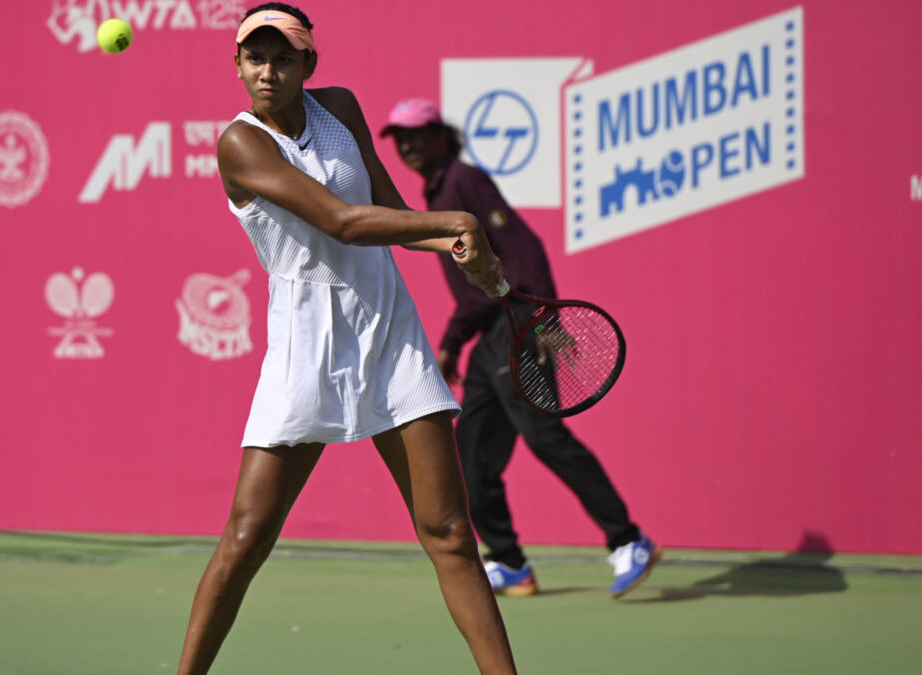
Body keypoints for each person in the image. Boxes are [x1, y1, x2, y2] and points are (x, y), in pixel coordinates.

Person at [176, 6, 517, 674]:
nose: (266, 71)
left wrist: (456, 245)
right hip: (306, 346)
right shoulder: (239, 145)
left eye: (282, 58)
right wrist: (460, 219)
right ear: (238, 64)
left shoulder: (340, 109)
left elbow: (388, 210)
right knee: (246, 537)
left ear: (309, 64)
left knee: (449, 532)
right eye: (254, 58)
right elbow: (341, 222)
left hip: (390, 330)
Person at [380, 98, 661, 599]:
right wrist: (451, 345)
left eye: (419, 134)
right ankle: (510, 563)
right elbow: (475, 290)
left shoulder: (464, 180)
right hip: (489, 341)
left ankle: (628, 540)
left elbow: (524, 248)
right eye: (401, 138)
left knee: (546, 439)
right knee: (471, 455)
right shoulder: (439, 190)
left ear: (442, 134)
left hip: (519, 331)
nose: (409, 145)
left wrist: (546, 318)